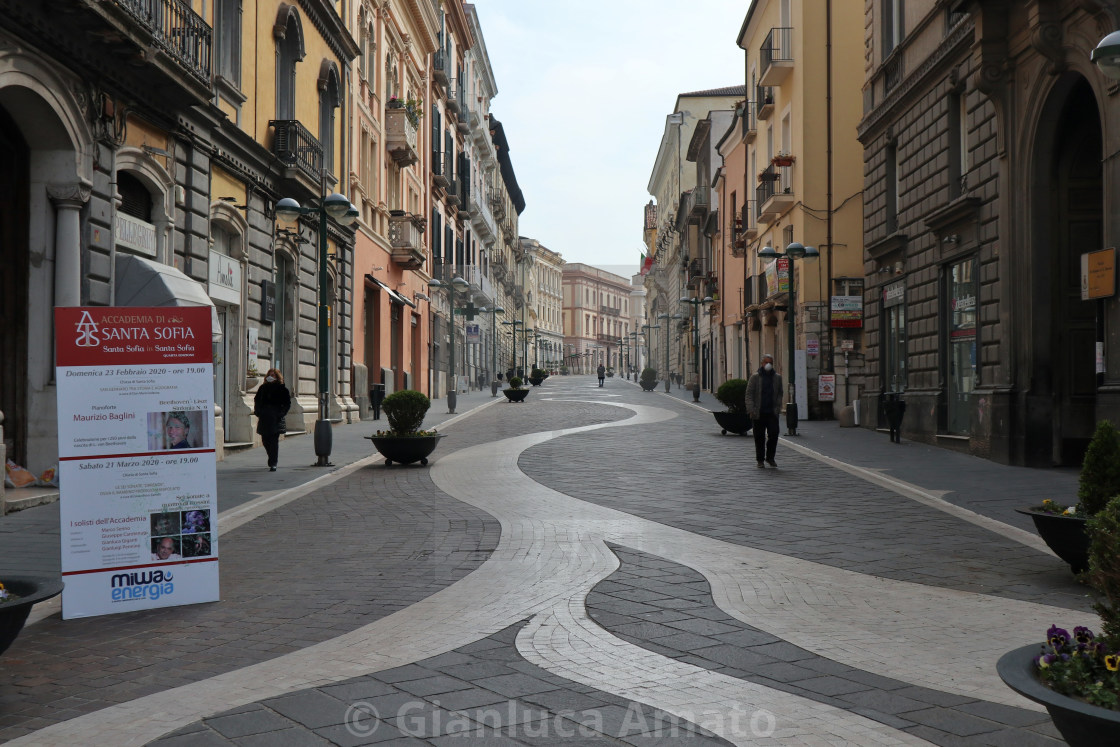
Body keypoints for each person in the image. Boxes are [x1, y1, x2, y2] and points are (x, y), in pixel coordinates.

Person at [746, 354, 784, 468]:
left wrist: (777, 408)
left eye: (770, 363)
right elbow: (749, 394)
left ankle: (770, 458)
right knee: (759, 437)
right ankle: (760, 460)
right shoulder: (755, 377)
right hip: (758, 412)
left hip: (772, 412)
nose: (768, 365)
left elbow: (780, 393)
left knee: (774, 434)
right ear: (762, 363)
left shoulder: (777, 378)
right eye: (766, 362)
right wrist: (751, 409)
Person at [254, 368, 292, 471]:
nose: (271, 377)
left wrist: (281, 413)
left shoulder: (282, 389)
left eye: (273, 375)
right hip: (264, 417)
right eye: (269, 375)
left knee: (274, 441)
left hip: (275, 418)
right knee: (265, 440)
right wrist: (258, 411)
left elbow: (287, 403)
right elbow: (257, 400)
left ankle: (273, 462)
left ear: (277, 377)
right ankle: (271, 457)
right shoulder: (262, 388)